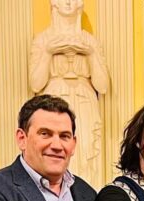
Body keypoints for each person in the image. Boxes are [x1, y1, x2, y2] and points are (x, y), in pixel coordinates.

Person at [29, 0, 109, 189]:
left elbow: (103, 85)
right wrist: (49, 52)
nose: (68, 1)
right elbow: (35, 83)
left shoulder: (90, 41)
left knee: (85, 153)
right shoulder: (43, 40)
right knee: (53, 149)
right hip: (54, 102)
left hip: (84, 102)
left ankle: (83, 199)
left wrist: (90, 54)